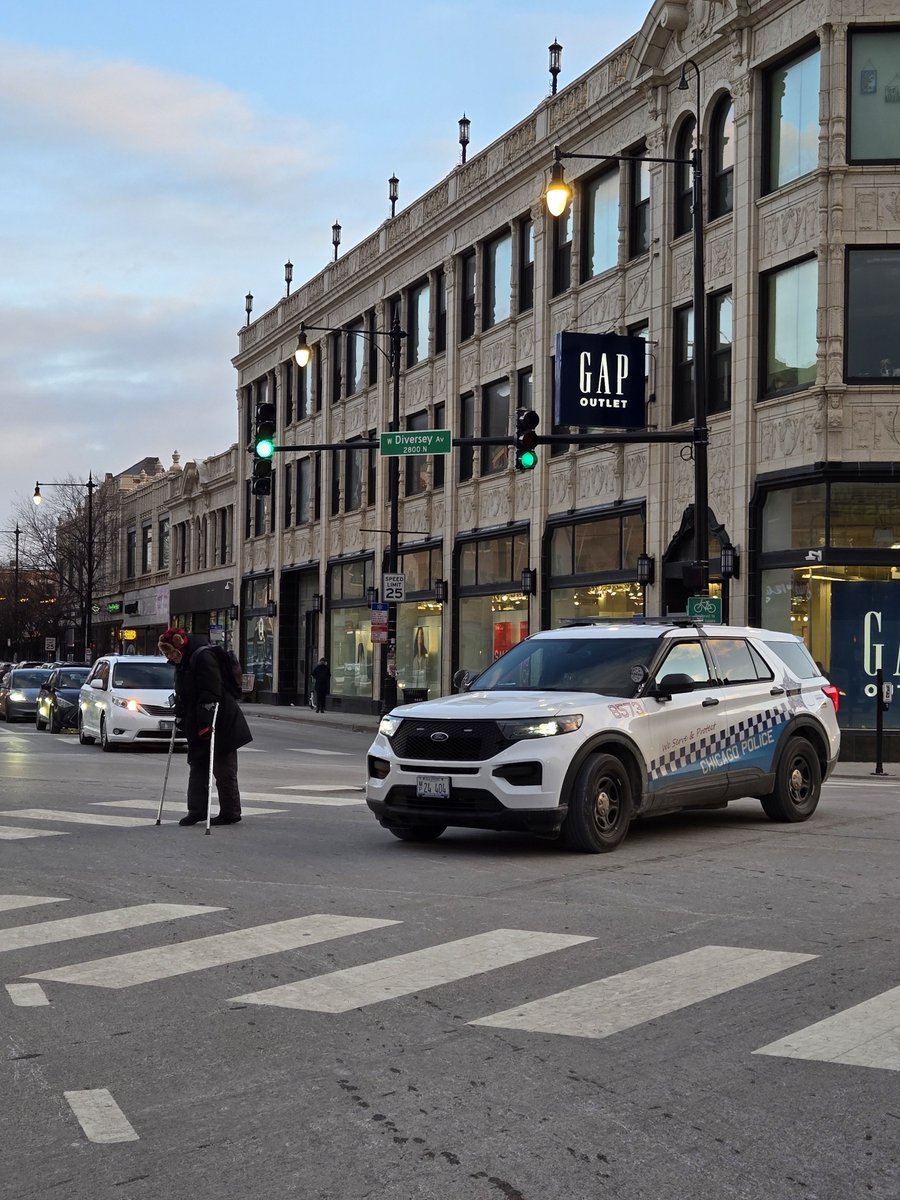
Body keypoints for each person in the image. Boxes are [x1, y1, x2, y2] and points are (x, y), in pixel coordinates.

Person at [158, 628, 252, 826]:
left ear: (179, 646)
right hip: (198, 721)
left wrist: (205, 723)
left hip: (221, 721)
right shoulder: (183, 661)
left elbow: (211, 693)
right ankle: (197, 810)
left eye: (170, 653)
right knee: (197, 764)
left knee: (223, 769)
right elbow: (185, 691)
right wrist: (180, 713)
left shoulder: (203, 657)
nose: (169, 658)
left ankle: (230, 812)